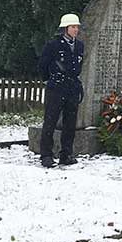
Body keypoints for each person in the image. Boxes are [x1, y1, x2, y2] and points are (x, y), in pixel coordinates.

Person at [38, 13, 85, 168]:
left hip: (72, 87)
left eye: (77, 27)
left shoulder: (79, 45)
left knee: (70, 123)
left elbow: (78, 65)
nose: (76, 30)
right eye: (73, 27)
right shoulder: (53, 45)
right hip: (57, 87)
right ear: (65, 28)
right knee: (50, 122)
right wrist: (49, 79)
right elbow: (43, 65)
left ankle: (66, 154)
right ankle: (46, 155)